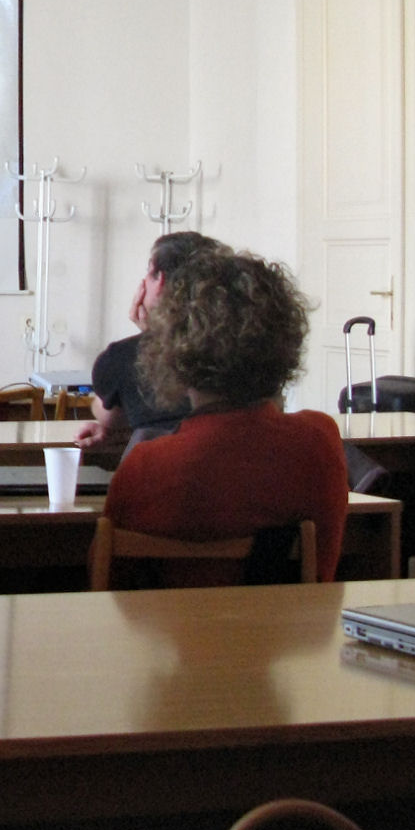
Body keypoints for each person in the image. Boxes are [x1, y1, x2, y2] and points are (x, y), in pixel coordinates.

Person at [103, 246, 347, 584]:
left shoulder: (144, 467)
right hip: (292, 619)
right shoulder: (318, 440)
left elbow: (112, 583)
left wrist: (154, 337)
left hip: (171, 620)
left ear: (173, 353)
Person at [75, 230, 221, 454]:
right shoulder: (241, 351)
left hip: (163, 470)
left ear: (159, 280)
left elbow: (110, 417)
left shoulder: (123, 358)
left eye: (148, 273)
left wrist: (153, 336)